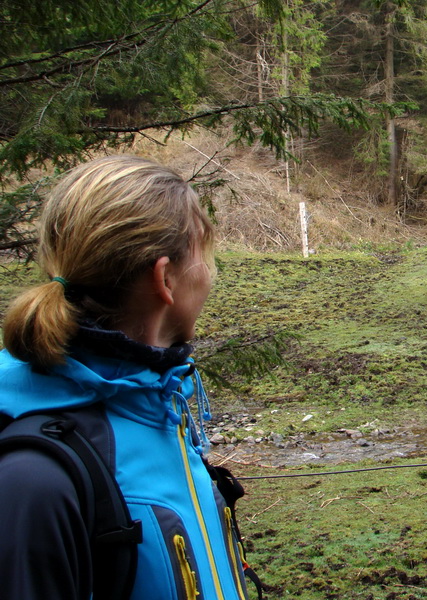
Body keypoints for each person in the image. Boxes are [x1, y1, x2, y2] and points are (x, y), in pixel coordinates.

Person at [0, 155, 250, 599]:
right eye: (204, 258)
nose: (210, 276)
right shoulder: (33, 477)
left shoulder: (157, 407)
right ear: (165, 279)